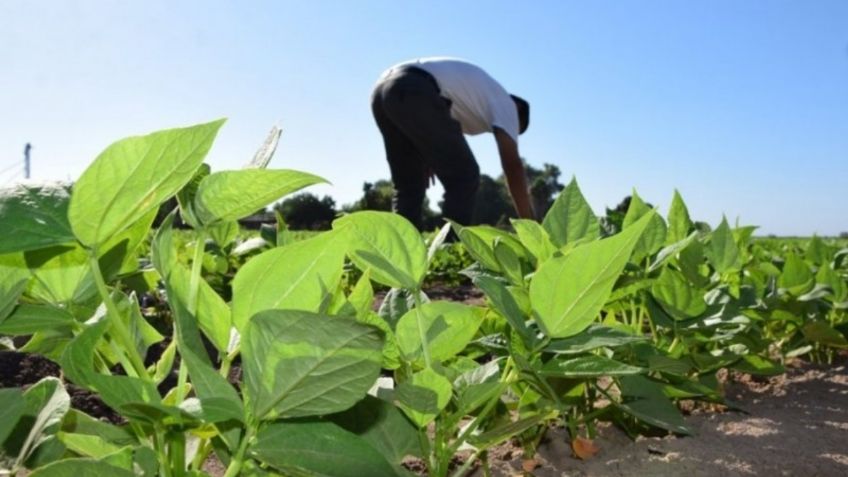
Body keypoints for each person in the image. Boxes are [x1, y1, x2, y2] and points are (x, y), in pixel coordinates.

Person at [371, 57, 534, 229]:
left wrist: (427, 156)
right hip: (415, 87)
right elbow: (512, 166)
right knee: (465, 176)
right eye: (514, 130)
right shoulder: (508, 105)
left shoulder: (477, 100)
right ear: (518, 113)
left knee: (409, 185)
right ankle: (450, 247)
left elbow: (434, 126)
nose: (510, 133)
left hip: (383, 90)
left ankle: (399, 252)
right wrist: (531, 225)